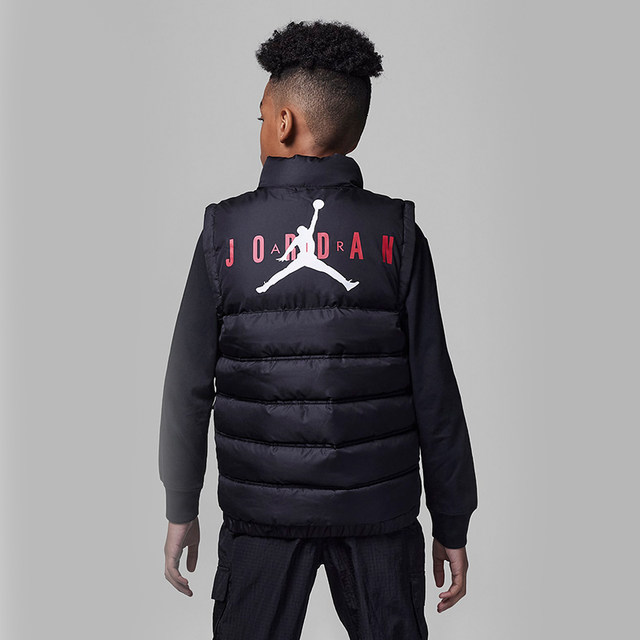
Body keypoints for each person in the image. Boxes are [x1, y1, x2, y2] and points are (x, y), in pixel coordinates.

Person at [158, 19, 478, 640]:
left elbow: (186, 386)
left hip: (262, 518)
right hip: (379, 515)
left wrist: (180, 506)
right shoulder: (398, 234)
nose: (260, 129)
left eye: (261, 118)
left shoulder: (224, 233)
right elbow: (436, 390)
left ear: (283, 123)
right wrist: (452, 520)